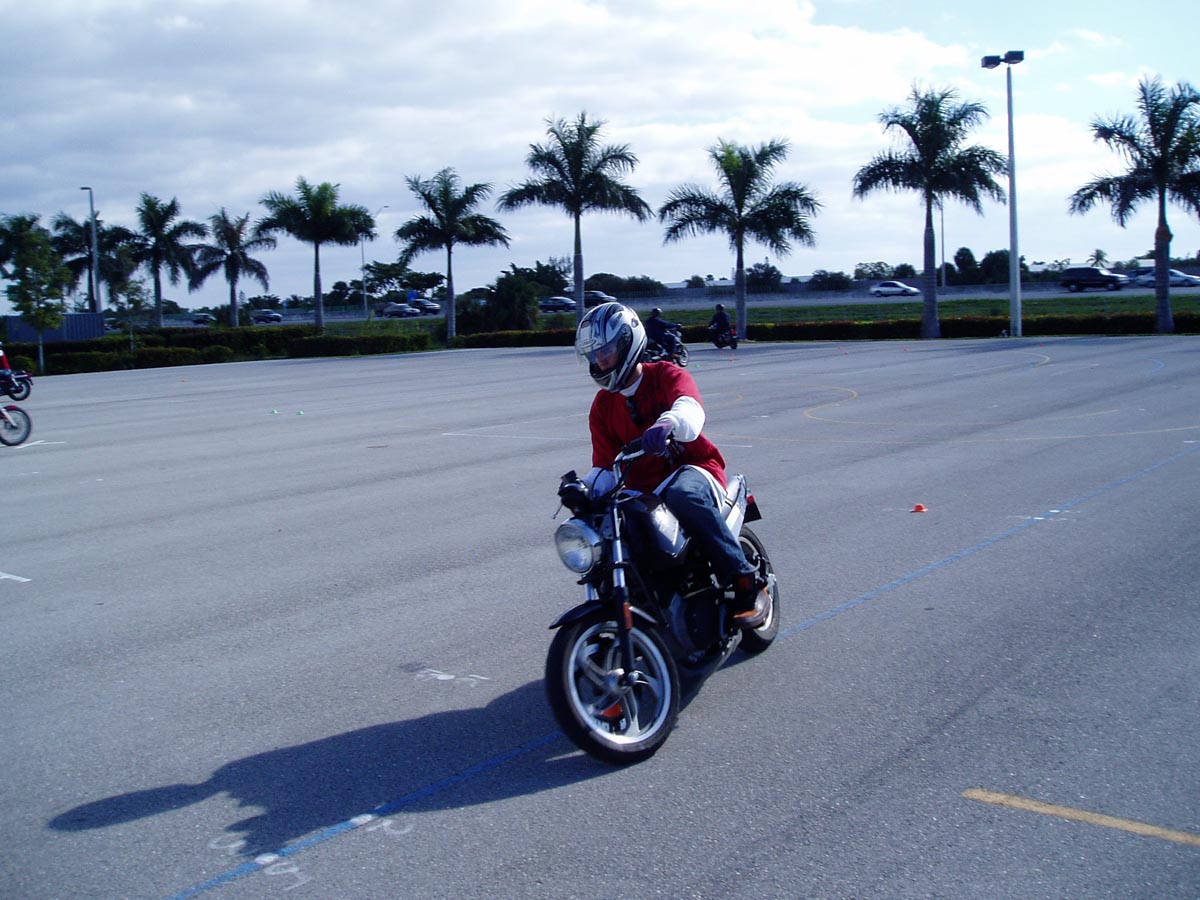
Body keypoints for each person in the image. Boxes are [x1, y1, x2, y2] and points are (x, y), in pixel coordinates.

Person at [575, 302, 768, 626]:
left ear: (627, 343)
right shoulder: (602, 406)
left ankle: (745, 580)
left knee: (683, 495)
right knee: (607, 523)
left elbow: (690, 408)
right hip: (643, 490)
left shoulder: (665, 374)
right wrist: (583, 488)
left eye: (605, 351)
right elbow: (606, 468)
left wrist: (670, 422)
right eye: (594, 355)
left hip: (694, 468)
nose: (600, 361)